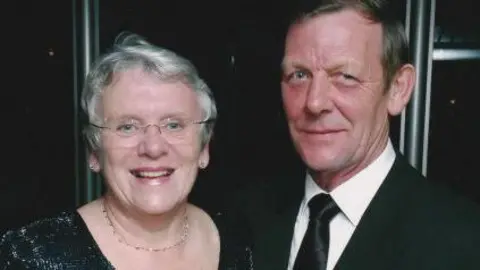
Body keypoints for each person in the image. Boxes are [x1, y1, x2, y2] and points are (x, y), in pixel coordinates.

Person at [232, 1, 480, 269]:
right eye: (299, 74)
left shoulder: (461, 242)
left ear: (398, 89)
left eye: (345, 76)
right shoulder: (244, 217)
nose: (315, 103)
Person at [0, 32, 252, 269]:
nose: (153, 148)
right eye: (127, 127)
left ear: (204, 147)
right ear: (94, 150)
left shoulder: (241, 242)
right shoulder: (32, 256)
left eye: (174, 124)